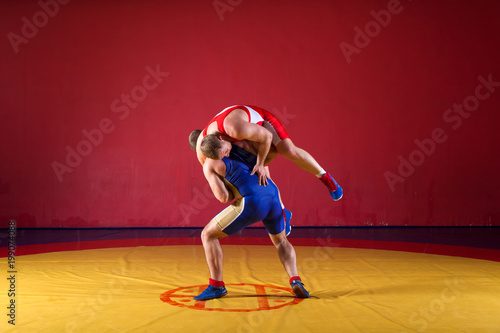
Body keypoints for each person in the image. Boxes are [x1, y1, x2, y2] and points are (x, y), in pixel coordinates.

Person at [190, 137, 309, 300]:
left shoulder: (210, 164)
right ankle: (296, 281)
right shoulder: (239, 142)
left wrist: (231, 186)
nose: (226, 153)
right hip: (273, 194)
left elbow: (224, 197)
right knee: (281, 241)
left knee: (208, 235)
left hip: (254, 202)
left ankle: (216, 286)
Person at [196, 105, 343, 200]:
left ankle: (325, 177)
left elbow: (267, 136)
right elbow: (212, 170)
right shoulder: (202, 148)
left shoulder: (236, 129)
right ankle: (282, 211)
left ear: (221, 138)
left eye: (225, 152)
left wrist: (260, 163)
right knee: (259, 175)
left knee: (288, 151)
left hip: (262, 122)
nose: (227, 155)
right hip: (242, 134)